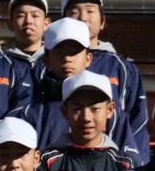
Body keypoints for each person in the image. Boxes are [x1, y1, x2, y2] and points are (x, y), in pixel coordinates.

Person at [60, 0, 147, 164]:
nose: (83, 18)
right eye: (75, 12)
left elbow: (138, 122)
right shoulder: (51, 64)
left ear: (103, 21)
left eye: (90, 11)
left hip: (113, 164)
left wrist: (137, 166)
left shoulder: (123, 68)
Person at [37, 72, 135, 171]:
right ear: (65, 112)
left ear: (109, 110)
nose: (86, 118)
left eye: (95, 109)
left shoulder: (124, 166)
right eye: (77, 109)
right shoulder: (46, 162)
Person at [14, 17, 95, 154]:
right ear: (46, 60)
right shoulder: (31, 112)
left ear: (88, 59)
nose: (67, 59)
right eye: (60, 52)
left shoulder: (104, 109)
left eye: (74, 51)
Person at [3, 0, 50, 68]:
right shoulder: (0, 61)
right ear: (10, 24)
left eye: (35, 15)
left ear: (46, 23)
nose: (28, 21)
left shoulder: (55, 60)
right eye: (21, 16)